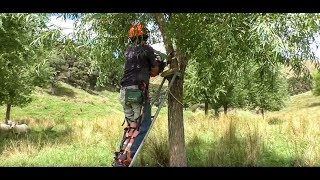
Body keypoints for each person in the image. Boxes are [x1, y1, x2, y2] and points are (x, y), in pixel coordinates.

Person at [113, 23, 165, 167]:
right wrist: (160, 66)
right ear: (144, 36)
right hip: (137, 92)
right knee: (143, 127)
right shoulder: (147, 49)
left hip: (124, 92)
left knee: (131, 128)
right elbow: (154, 71)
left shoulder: (128, 51)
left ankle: (121, 158)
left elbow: (137, 67)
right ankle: (128, 159)